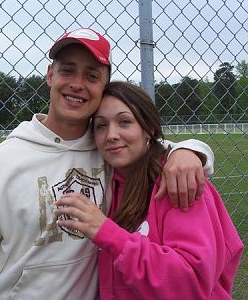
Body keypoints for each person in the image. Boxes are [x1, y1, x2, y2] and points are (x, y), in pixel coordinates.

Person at [0, 28, 214, 299]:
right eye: (67, 70)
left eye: (91, 76)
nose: (77, 83)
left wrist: (189, 151)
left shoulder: (107, 149)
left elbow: (151, 150)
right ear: (50, 75)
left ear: (103, 86)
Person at [55, 81, 244, 300]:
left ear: (149, 128)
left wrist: (107, 232)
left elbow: (189, 285)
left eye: (125, 122)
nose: (111, 135)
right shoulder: (103, 180)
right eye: (100, 125)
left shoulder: (177, 182)